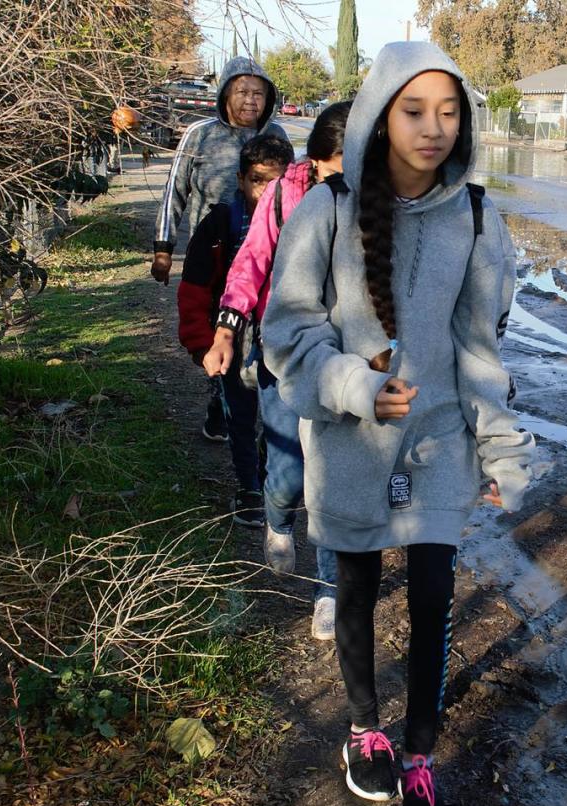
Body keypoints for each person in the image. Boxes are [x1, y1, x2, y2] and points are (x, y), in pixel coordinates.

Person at [261, 42, 535, 806]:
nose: (435, 128)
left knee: (432, 596)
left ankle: (418, 754)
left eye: (450, 112)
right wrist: (353, 385)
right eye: (415, 111)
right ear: (381, 119)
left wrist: (501, 449)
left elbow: (480, 350)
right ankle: (362, 728)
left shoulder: (478, 218)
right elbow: (287, 331)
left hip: (439, 445)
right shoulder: (328, 210)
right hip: (349, 445)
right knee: (352, 588)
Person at [203, 101, 352, 642]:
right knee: (288, 473)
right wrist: (225, 330)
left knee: (333, 481)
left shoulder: (378, 195)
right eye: (337, 169)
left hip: (344, 362)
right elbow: (251, 261)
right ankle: (278, 518)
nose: (347, 181)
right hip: (283, 352)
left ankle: (329, 590)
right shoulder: (285, 195)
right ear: (315, 160)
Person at [152, 56, 289, 444]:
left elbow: (293, 194)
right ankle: (222, 399)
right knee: (217, 332)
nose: (251, 101)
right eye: (242, 92)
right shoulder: (200, 134)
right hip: (212, 258)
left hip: (265, 261)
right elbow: (174, 191)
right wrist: (164, 248)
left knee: (258, 334)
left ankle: (256, 407)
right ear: (225, 94)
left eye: (259, 93)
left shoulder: (276, 134)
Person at [177, 134, 294, 532]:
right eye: (259, 180)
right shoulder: (220, 222)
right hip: (231, 332)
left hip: (282, 335)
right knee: (240, 414)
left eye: (277, 181)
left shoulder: (303, 222)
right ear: (242, 179)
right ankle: (248, 485)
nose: (267, 191)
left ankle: (267, 473)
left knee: (279, 416)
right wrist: (201, 342)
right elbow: (194, 287)